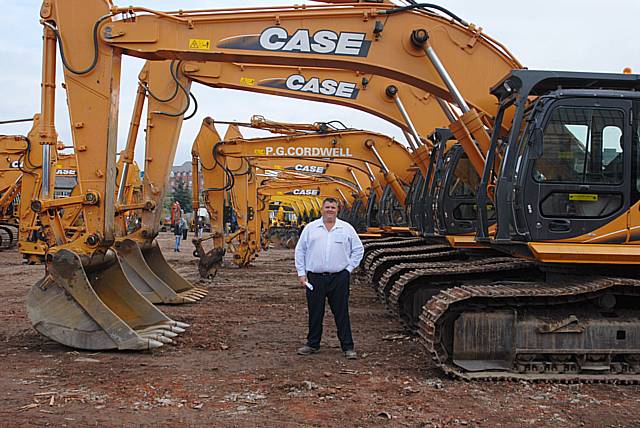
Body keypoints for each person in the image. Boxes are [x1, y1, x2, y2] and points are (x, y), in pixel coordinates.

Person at [294, 197, 364, 360]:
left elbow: (358, 250)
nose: (330, 210)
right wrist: (301, 273)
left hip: (339, 277)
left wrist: (348, 269)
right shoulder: (311, 229)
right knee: (315, 312)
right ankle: (312, 344)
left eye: (333, 207)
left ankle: (348, 347)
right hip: (315, 278)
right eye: (327, 207)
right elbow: (300, 251)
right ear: (322, 209)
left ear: (337, 210)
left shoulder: (346, 229)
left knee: (341, 312)